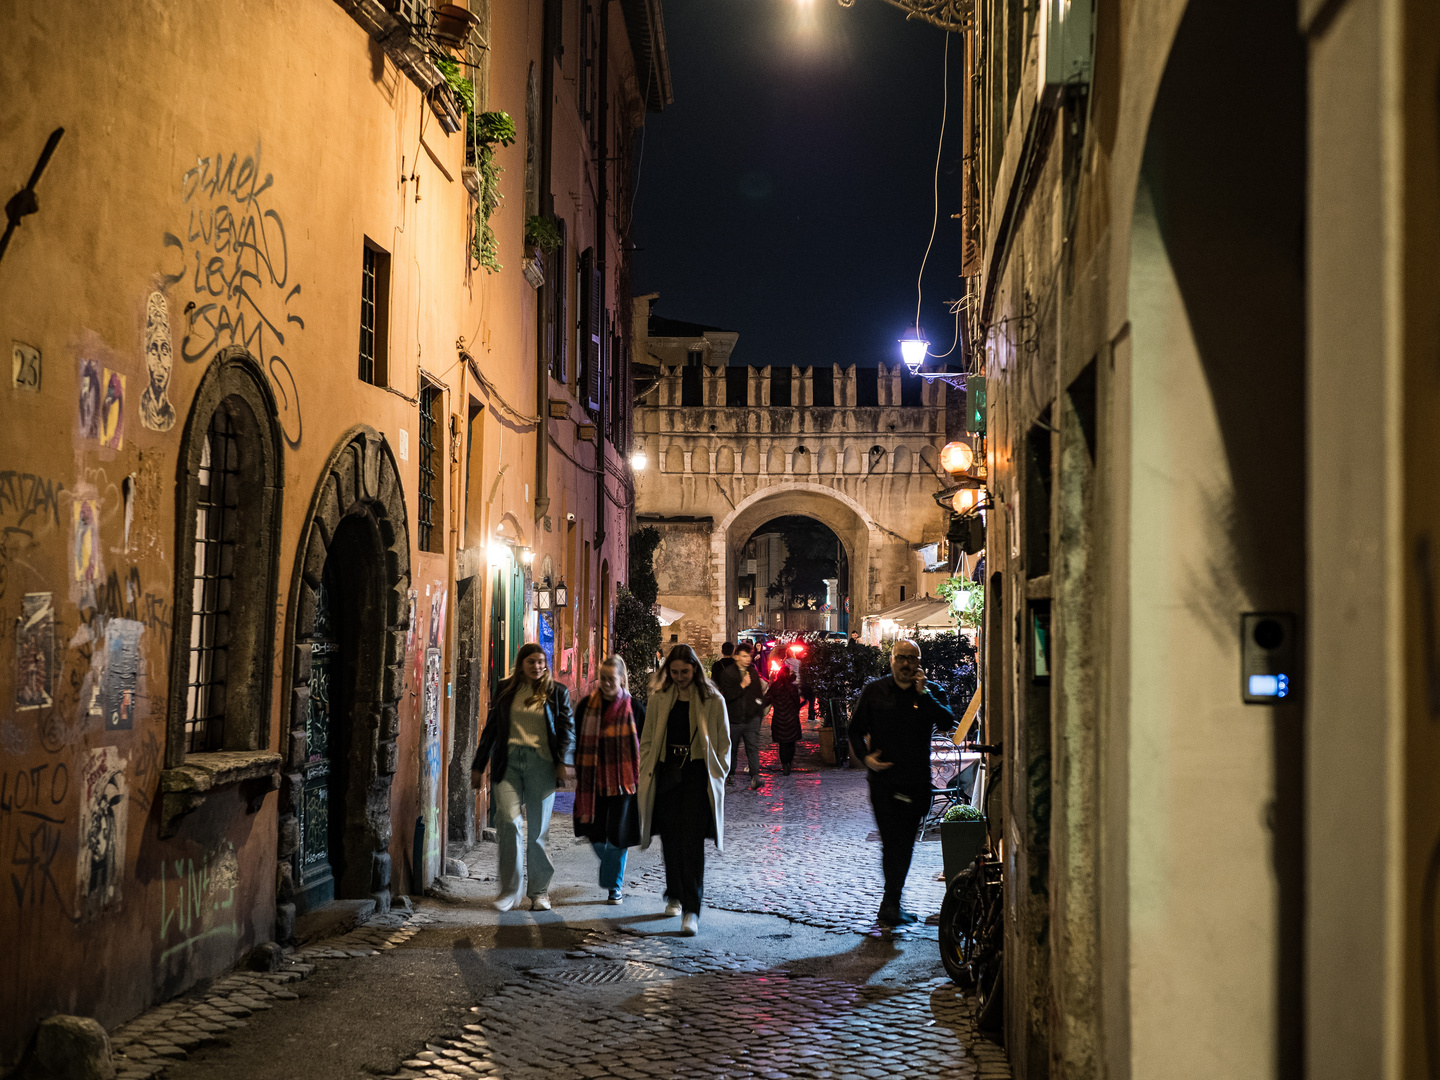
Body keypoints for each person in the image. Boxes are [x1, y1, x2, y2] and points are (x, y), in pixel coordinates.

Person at [847, 638, 954, 926]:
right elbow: (854, 730)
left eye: (912, 658)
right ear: (891, 660)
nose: (906, 663)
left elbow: (946, 722)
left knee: (905, 843)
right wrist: (866, 758)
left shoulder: (931, 692)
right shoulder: (875, 691)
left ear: (919, 662)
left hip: (917, 781)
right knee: (892, 841)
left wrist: (925, 695)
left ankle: (891, 903)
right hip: (884, 781)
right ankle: (891, 903)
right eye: (901, 657)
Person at [472, 643, 575, 912]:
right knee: (507, 822)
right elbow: (491, 729)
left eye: (541, 661)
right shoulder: (506, 689)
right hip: (508, 764)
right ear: (521, 663)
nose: (537, 666)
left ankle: (539, 892)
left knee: (538, 831)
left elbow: (567, 729)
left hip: (541, 765)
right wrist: (478, 764)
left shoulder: (556, 692)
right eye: (531, 661)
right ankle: (510, 891)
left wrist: (564, 761)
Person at [637, 644, 731, 936]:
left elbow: (724, 742)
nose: (680, 677)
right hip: (667, 773)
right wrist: (647, 765)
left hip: (696, 775)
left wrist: (719, 771)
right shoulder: (659, 698)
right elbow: (649, 737)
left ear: (695, 669)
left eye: (685, 671)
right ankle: (674, 893)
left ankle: (692, 908)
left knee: (691, 842)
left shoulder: (712, 699)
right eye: (675, 672)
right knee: (670, 839)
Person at [572, 656, 645, 904]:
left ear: (621, 679)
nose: (605, 683)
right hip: (592, 781)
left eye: (610, 679)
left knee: (617, 836)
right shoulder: (585, 707)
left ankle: (615, 886)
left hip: (624, 782)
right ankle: (611, 869)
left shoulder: (635, 709)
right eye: (602, 678)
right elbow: (576, 740)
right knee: (595, 835)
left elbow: (645, 746)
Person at [715, 642, 766, 790]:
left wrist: (758, 713)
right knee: (732, 748)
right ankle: (730, 774)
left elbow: (758, 695)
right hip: (734, 719)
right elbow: (728, 696)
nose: (747, 659)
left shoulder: (753, 672)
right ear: (736, 656)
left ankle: (755, 776)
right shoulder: (728, 673)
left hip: (751, 720)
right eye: (744, 656)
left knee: (753, 748)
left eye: (749, 656)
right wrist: (742, 685)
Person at [765, 665, 803, 776]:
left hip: (779, 719)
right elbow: (797, 703)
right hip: (792, 719)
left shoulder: (774, 687)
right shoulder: (792, 687)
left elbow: (766, 700)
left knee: (782, 744)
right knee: (791, 744)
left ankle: (784, 764)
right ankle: (789, 763)